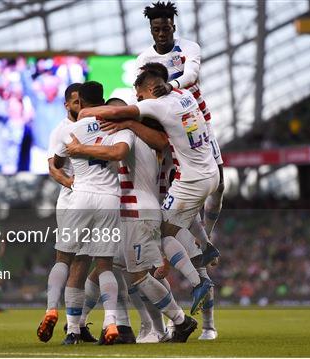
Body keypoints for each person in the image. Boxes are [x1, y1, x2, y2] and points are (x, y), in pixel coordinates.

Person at [78, 64, 217, 318]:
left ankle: (189, 300)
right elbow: (186, 83)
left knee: (145, 259)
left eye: (139, 94)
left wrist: (87, 114)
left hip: (163, 198)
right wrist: (172, 85)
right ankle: (203, 254)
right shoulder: (181, 96)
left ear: (149, 88)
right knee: (123, 267)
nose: (138, 98)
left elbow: (122, 116)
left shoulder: (148, 118)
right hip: (205, 175)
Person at [67, 98, 198, 343]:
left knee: (139, 276)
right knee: (104, 269)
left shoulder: (127, 134)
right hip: (137, 213)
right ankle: (80, 322)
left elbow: (115, 153)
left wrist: (79, 149)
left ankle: (180, 321)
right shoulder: (146, 138)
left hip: (136, 214)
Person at [38, 81, 133, 345]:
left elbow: (56, 164)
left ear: (82, 103)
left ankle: (52, 310)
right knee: (104, 266)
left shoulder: (71, 131)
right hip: (109, 199)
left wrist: (77, 151)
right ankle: (111, 322)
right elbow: (119, 153)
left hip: (79, 197)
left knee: (64, 259)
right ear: (102, 100)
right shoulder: (117, 127)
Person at [137, 1, 224, 266]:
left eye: (165, 28)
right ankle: (198, 248)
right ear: (151, 30)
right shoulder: (143, 59)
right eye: (156, 29)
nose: (161, 33)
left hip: (197, 122)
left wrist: (170, 85)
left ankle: (206, 236)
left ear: (173, 26)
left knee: (219, 185)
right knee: (180, 184)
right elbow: (141, 92)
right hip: (170, 129)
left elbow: (192, 74)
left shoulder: (188, 47)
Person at [38, 82, 97, 344]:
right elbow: (54, 167)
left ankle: (72, 321)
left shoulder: (93, 124)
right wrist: (70, 182)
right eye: (75, 101)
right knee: (73, 259)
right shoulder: (61, 131)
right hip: (73, 200)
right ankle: (67, 320)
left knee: (79, 261)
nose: (79, 105)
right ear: (66, 105)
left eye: (82, 100)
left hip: (91, 201)